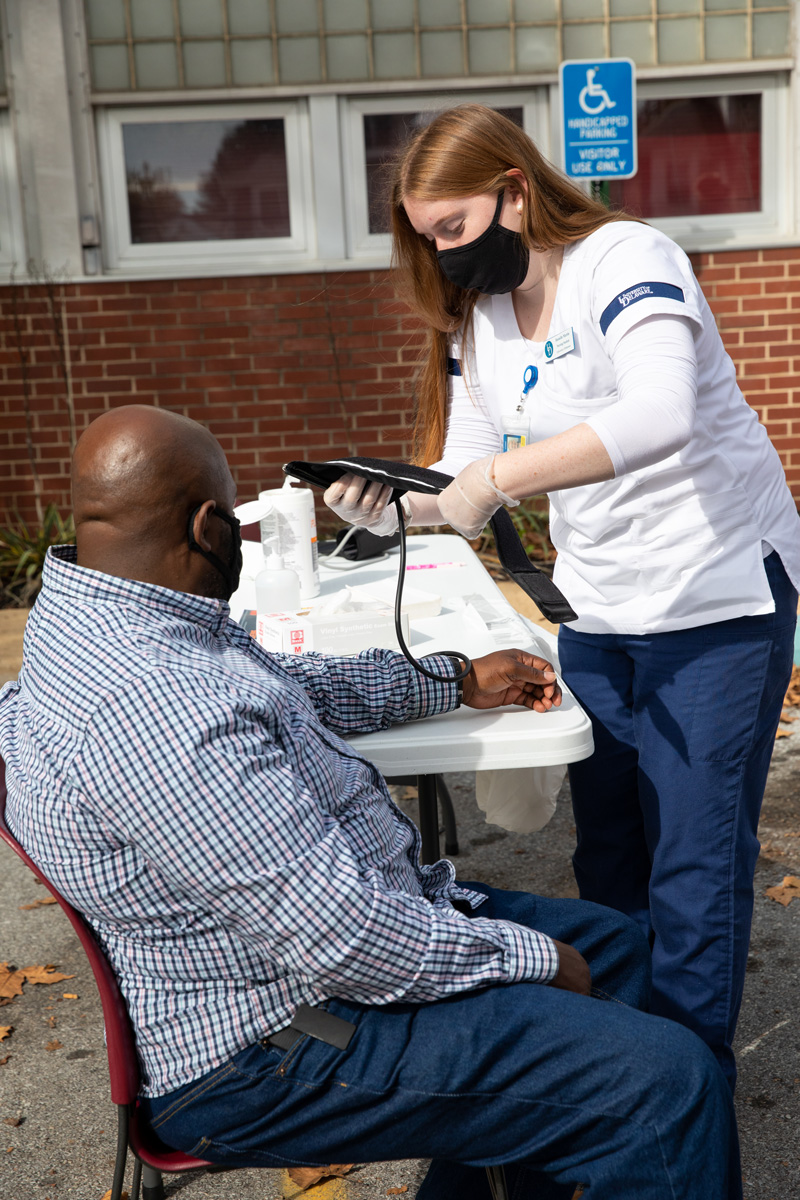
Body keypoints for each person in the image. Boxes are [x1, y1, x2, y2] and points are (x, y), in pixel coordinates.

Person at [0, 405, 741, 1200]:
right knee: (666, 1087)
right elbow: (343, 937)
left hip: (288, 967)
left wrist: (451, 678)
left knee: (616, 947)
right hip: (268, 1048)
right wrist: (528, 958)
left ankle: (526, 1160)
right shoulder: (158, 707)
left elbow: (289, 692)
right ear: (211, 528)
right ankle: (628, 1126)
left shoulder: (109, 617)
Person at [323, 103, 800, 1094]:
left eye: (452, 228)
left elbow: (659, 413)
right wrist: (381, 505)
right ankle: (629, 1063)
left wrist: (499, 481)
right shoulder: (480, 321)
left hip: (715, 601)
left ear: (515, 189)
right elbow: (458, 473)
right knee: (611, 853)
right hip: (600, 611)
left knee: (692, 861)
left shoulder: (627, 259)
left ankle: (683, 1091)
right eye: (425, 239)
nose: (444, 256)